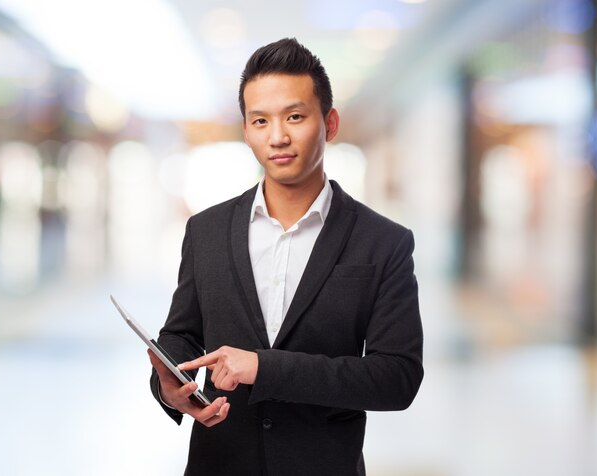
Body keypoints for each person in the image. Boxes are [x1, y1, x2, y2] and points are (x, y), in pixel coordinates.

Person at [148, 37, 423, 476]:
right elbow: (182, 333)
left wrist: (264, 368)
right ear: (246, 130)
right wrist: (170, 382)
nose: (277, 137)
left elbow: (397, 379)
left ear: (329, 123)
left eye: (295, 117)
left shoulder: (384, 242)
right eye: (260, 121)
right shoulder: (207, 231)